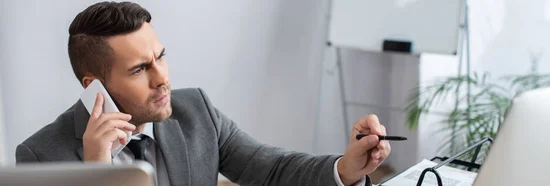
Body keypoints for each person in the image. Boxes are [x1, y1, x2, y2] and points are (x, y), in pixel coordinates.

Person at [15, 2, 391, 186]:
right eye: (139, 69)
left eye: (160, 57)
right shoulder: (41, 156)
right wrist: (97, 171)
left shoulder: (195, 111)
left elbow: (273, 168)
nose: (162, 78)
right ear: (93, 85)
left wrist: (345, 168)